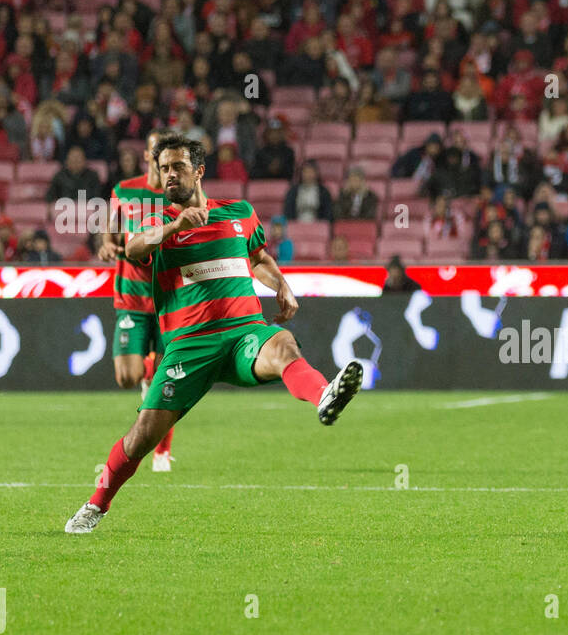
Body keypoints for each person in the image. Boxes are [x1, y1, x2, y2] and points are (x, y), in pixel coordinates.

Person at [65, 136, 364, 534]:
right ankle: (95, 505)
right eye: (165, 168)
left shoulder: (238, 212)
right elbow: (135, 247)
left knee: (284, 344)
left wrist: (281, 285)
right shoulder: (158, 220)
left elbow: (258, 257)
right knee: (140, 439)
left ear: (199, 171)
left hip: (244, 333)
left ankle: (324, 395)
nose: (170, 174)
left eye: (179, 167)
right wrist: (174, 225)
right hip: (189, 346)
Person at [97, 130, 178, 471]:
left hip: (169, 298)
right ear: (147, 155)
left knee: (169, 380)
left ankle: (161, 452)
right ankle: (148, 374)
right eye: (154, 150)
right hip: (131, 294)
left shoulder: (180, 195)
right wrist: (106, 244)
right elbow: (109, 228)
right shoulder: (124, 190)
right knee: (127, 378)